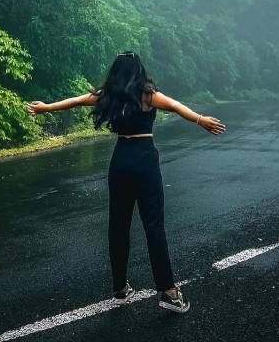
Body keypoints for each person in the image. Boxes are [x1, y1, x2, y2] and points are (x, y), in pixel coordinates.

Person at [25, 51, 226, 314]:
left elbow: (74, 101)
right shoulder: (147, 95)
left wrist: (45, 108)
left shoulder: (107, 94)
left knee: (118, 226)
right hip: (144, 160)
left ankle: (120, 289)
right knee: (153, 225)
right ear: (138, 70)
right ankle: (168, 292)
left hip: (120, 161)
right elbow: (177, 106)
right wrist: (201, 120)